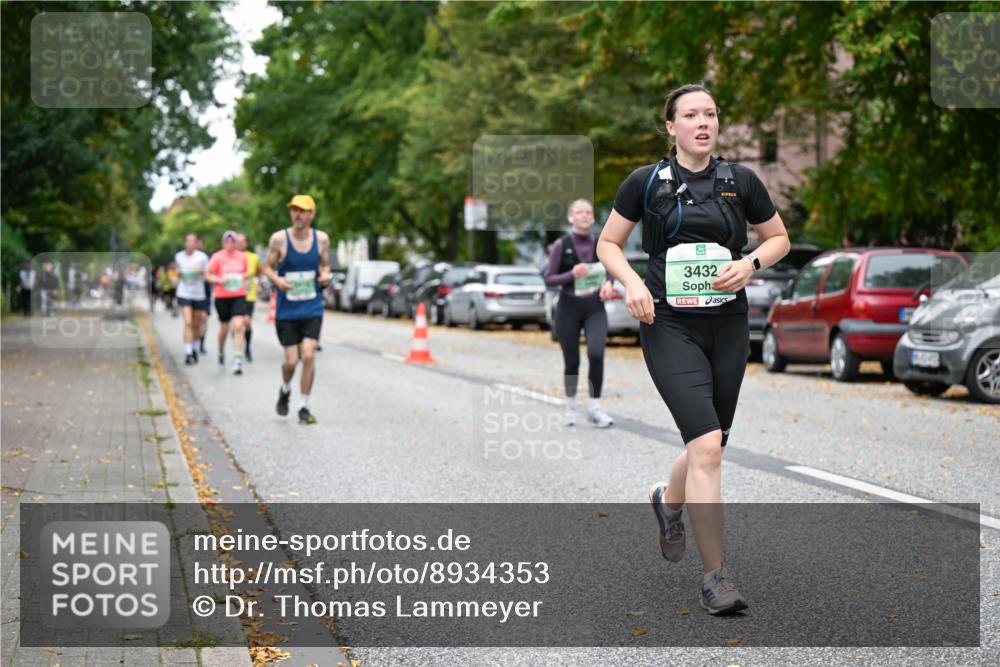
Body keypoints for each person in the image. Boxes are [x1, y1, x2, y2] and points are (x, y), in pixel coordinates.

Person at [596, 83, 790, 616]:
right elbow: (607, 243)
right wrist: (632, 283)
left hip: (727, 324)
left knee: (714, 441)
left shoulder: (740, 181)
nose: (702, 123)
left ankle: (668, 500)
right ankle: (716, 577)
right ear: (671, 126)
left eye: (710, 114)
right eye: (690, 115)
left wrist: (750, 263)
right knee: (705, 445)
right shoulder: (646, 182)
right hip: (668, 322)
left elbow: (779, 239)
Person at [543, 199, 615, 428]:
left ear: (593, 217)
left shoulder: (601, 243)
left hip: (594, 307)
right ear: (570, 217)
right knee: (572, 361)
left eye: (588, 212)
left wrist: (609, 283)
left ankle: (594, 407)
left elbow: (612, 268)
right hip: (569, 307)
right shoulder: (560, 245)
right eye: (579, 212)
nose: (584, 215)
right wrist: (571, 274)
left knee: (596, 353)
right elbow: (549, 278)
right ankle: (571, 407)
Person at [261, 194, 331, 425]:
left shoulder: (321, 239)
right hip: (287, 310)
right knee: (291, 361)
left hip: (312, 306)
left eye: (302, 210)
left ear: (311, 214)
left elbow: (324, 263)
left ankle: (304, 406)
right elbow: (267, 268)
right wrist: (277, 281)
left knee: (309, 354)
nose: (297, 214)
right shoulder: (279, 239)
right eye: (294, 210)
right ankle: (285, 389)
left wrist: (325, 275)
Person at [205, 230, 250, 375]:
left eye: (232, 241)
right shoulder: (217, 257)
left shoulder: (242, 257)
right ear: (223, 242)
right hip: (222, 296)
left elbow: (248, 272)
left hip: (238, 295)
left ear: (236, 243)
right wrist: (219, 279)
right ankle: (221, 349)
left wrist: (242, 277)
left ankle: (238, 359)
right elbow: (208, 274)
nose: (230, 244)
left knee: (238, 325)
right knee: (224, 328)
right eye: (227, 241)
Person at [174, 233, 210, 365]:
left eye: (192, 241)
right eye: (188, 241)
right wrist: (178, 273)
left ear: (196, 243)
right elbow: (176, 272)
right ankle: (188, 352)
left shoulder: (202, 257)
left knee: (196, 324)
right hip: (184, 293)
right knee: (188, 322)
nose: (190, 244)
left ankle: (193, 346)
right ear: (185, 243)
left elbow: (207, 275)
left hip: (199, 294)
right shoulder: (179, 256)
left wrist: (200, 271)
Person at [236, 233, 262, 362]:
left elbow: (260, 272)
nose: (240, 244)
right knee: (237, 325)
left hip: (248, 295)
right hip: (233, 295)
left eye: (243, 241)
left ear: (246, 243)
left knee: (247, 322)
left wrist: (259, 284)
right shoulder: (230, 257)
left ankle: (247, 349)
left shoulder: (253, 257)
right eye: (238, 241)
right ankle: (238, 350)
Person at [196, 234, 211, 354]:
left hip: (205, 292)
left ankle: (202, 343)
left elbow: (211, 274)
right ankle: (193, 341)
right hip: (192, 293)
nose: (198, 246)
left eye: (200, 243)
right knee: (194, 320)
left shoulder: (206, 258)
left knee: (204, 318)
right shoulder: (188, 258)